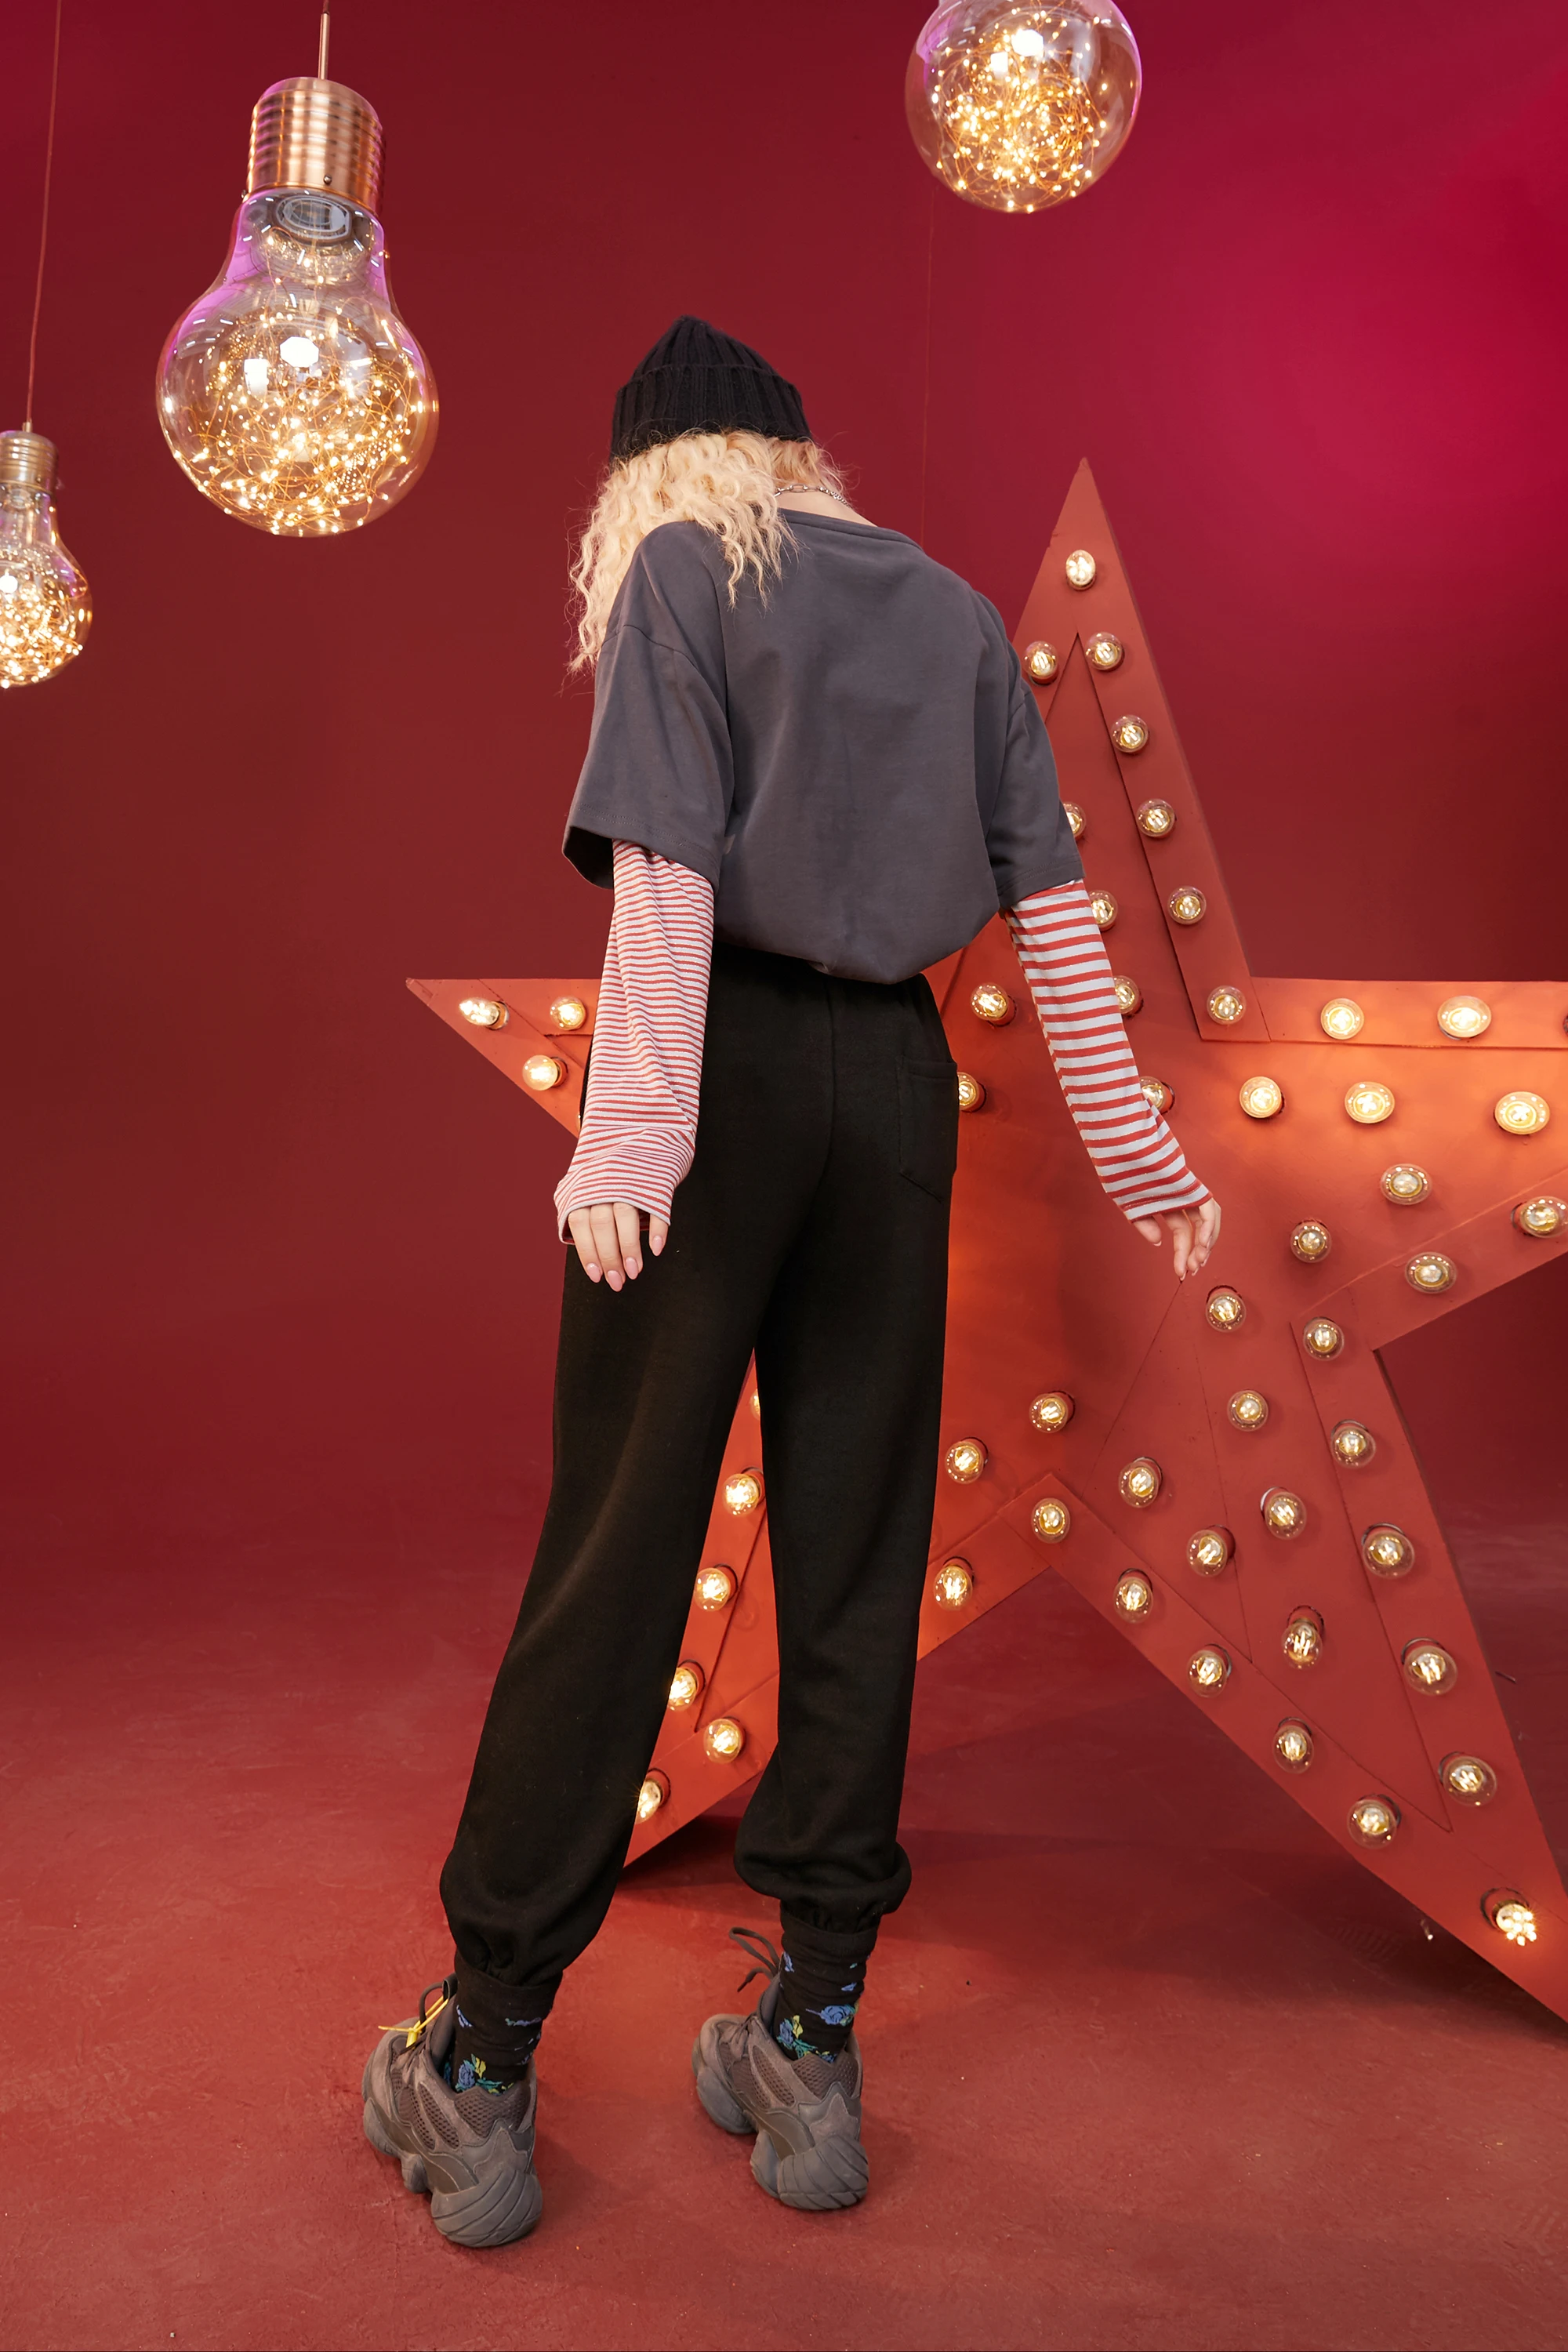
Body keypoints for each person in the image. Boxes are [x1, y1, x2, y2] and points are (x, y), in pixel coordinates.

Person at [361, 317, 1221, 2247]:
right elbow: (1057, 913)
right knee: (856, 1557)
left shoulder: (685, 567)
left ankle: (479, 2061)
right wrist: (1143, 1159)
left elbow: (665, 874)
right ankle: (813, 2039)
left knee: (618, 1550)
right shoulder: (953, 614)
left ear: (650, 476)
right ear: (801, 455)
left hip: (719, 1076)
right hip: (894, 1089)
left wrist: (631, 1139)